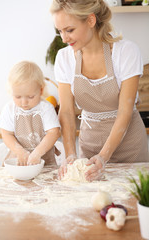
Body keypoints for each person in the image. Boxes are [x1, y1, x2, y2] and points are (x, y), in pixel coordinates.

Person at [50, 0, 149, 181]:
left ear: (90, 20)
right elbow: (66, 111)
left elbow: (125, 111)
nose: (64, 39)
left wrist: (104, 156)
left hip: (130, 146)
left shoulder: (125, 52)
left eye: (69, 30)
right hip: (90, 145)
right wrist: (70, 154)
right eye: (60, 31)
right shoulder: (64, 58)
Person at [0, 61, 61, 166]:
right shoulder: (9, 109)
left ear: (40, 90)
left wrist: (37, 153)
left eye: (30, 97)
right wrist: (20, 151)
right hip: (18, 161)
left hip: (45, 164)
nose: (24, 102)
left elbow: (53, 133)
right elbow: (6, 134)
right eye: (18, 97)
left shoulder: (46, 108)